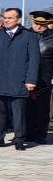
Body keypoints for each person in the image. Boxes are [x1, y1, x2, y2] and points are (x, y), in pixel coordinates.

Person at [0, 7, 40, 150]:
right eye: (5, 18)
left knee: (18, 112)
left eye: (10, 18)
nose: (6, 21)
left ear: (18, 20)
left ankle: (19, 139)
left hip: (19, 80)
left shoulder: (29, 36)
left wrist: (31, 79)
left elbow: (34, 59)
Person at [29, 11, 53, 144]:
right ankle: (27, 133)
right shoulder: (24, 35)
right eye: (36, 23)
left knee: (42, 108)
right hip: (24, 77)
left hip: (44, 78)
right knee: (24, 107)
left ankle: (40, 134)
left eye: (42, 24)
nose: (38, 26)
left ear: (47, 24)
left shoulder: (51, 38)